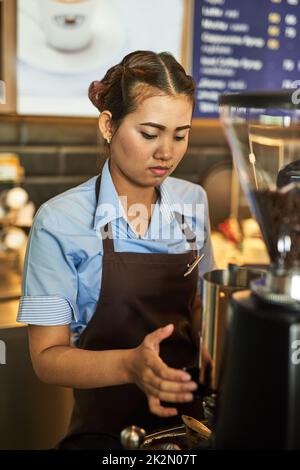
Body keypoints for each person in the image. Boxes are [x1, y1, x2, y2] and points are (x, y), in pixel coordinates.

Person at [17, 50, 215, 447]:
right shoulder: (58, 221)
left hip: (192, 429)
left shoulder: (193, 201)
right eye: (149, 133)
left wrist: (215, 347)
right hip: (106, 435)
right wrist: (130, 364)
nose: (167, 152)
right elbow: (46, 357)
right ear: (108, 125)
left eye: (181, 134)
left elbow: (199, 301)